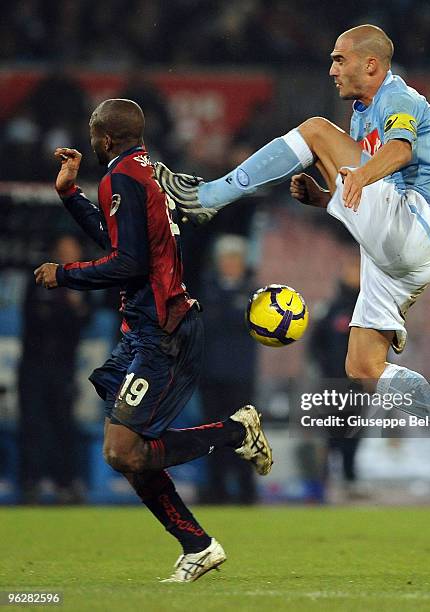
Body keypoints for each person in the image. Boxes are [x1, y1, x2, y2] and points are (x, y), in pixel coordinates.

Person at [154, 25, 430, 494]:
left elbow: (398, 151)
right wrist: (324, 198)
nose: (332, 68)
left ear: (371, 65)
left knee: (315, 129)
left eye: (340, 59)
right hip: (396, 251)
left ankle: (208, 196)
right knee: (363, 366)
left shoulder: (399, 98)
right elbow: (364, 183)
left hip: (418, 223)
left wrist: (359, 178)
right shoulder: (360, 116)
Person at [33, 98, 273, 583]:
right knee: (126, 450)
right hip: (147, 329)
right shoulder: (149, 172)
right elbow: (120, 240)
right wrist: (70, 196)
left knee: (124, 451)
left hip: (161, 331)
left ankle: (235, 432)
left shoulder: (121, 176)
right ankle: (197, 545)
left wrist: (66, 274)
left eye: (92, 134)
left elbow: (128, 264)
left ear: (103, 139)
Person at [18, 235, 89, 504]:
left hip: (63, 366)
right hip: (34, 364)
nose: (68, 254)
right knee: (33, 424)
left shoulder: (84, 283)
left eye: (73, 250)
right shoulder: (38, 278)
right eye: (64, 251)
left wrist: (73, 304)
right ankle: (31, 483)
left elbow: (85, 320)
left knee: (63, 425)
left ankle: (65, 483)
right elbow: (32, 318)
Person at [199, 235, 258, 504]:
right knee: (212, 432)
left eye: (235, 259)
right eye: (226, 259)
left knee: (244, 432)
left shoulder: (255, 293)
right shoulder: (206, 289)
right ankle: (216, 488)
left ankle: (247, 489)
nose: (231, 264)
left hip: (241, 374)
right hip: (211, 373)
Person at [309, 256, 367, 500]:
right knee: (330, 431)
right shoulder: (331, 309)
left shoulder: (371, 308)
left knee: (354, 432)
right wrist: (328, 370)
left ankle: (350, 478)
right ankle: (323, 481)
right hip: (333, 383)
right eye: (350, 269)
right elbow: (314, 345)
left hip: (359, 383)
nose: (354, 275)